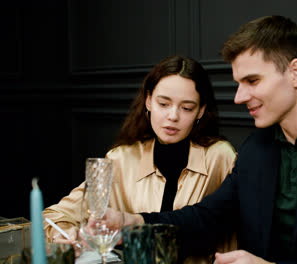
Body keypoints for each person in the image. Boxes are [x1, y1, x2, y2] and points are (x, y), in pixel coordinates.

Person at [103, 16, 297, 263]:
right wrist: (132, 223)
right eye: (239, 83)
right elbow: (207, 218)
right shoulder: (257, 148)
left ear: (295, 73)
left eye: (252, 81)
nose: (239, 97)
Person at [43, 55, 237, 263]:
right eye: (163, 104)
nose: (173, 116)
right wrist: (63, 235)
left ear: (201, 110)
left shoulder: (220, 157)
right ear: (148, 101)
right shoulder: (121, 159)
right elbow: (55, 215)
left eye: (186, 108)